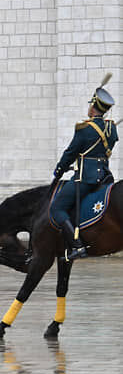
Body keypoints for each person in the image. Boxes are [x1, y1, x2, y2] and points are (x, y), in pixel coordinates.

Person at [50, 76, 118, 260]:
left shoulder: (84, 129)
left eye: (90, 105)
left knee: (57, 208)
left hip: (86, 177)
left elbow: (71, 152)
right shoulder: (112, 130)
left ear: (93, 106)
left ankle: (77, 245)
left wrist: (59, 170)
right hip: (104, 176)